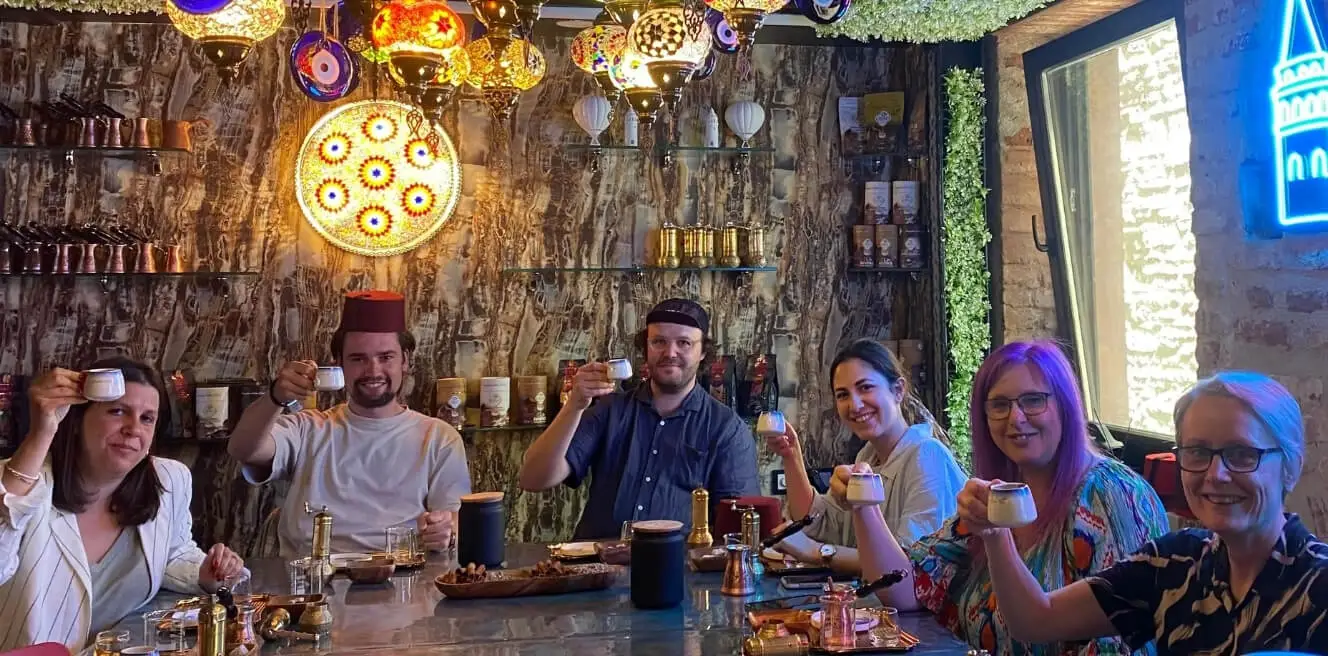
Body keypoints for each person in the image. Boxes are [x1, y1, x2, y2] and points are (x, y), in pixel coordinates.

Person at [844, 340, 1169, 655]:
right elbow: (902, 588)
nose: (1016, 418)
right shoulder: (997, 497)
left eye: (1033, 400)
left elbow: (1123, 643)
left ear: (1066, 405)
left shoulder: (1112, 495)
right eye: (999, 405)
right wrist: (863, 502)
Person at [979, 371, 1328, 654]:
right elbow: (1035, 620)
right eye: (1197, 452)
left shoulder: (1319, 587)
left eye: (1241, 454)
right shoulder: (1174, 564)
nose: (1215, 475)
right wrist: (994, 531)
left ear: (1291, 467)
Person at [0, 358, 245, 652]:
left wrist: (205, 574)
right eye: (117, 411)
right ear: (76, 420)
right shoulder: (20, 481)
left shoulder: (168, 479)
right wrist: (41, 432)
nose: (133, 429)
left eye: (147, 418)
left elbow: (172, 550)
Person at [229, 290, 471, 558]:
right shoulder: (308, 429)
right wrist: (275, 397)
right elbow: (243, 449)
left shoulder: (439, 437)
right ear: (339, 363)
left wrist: (446, 532)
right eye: (358, 359)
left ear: (405, 360)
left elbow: (453, 520)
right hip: (311, 577)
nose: (373, 371)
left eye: (385, 357)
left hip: (403, 576)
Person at [518, 298, 761, 539]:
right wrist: (574, 406)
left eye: (684, 343)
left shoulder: (727, 429)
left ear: (703, 352)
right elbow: (533, 479)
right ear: (646, 347)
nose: (670, 353)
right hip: (596, 560)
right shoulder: (609, 410)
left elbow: (738, 528)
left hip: (677, 562)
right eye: (659, 341)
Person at [766, 339, 964, 573]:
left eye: (865, 387)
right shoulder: (867, 457)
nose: (855, 405)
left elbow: (910, 564)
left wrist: (816, 552)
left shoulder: (928, 456)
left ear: (898, 390)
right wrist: (791, 455)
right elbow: (818, 523)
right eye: (843, 395)